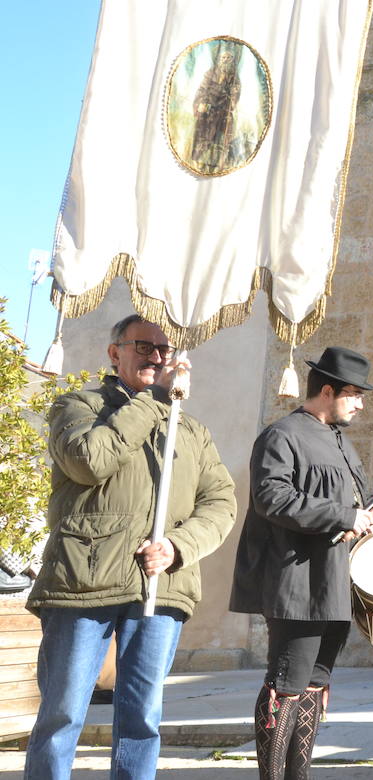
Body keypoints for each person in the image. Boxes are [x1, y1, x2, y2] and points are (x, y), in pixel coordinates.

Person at [24, 314, 237, 780]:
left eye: (164, 349)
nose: (157, 357)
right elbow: (88, 462)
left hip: (161, 586)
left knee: (142, 719)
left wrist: (179, 546)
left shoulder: (192, 430)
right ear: (114, 352)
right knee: (62, 714)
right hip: (83, 581)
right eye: (144, 346)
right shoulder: (78, 406)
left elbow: (220, 503)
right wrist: (153, 400)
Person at [229, 346, 373, 779]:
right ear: (327, 390)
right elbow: (272, 498)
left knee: (316, 684)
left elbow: (348, 503)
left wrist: (370, 515)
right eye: (354, 394)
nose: (360, 403)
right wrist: (345, 516)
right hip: (295, 579)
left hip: (334, 579)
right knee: (288, 682)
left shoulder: (341, 441)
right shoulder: (282, 435)